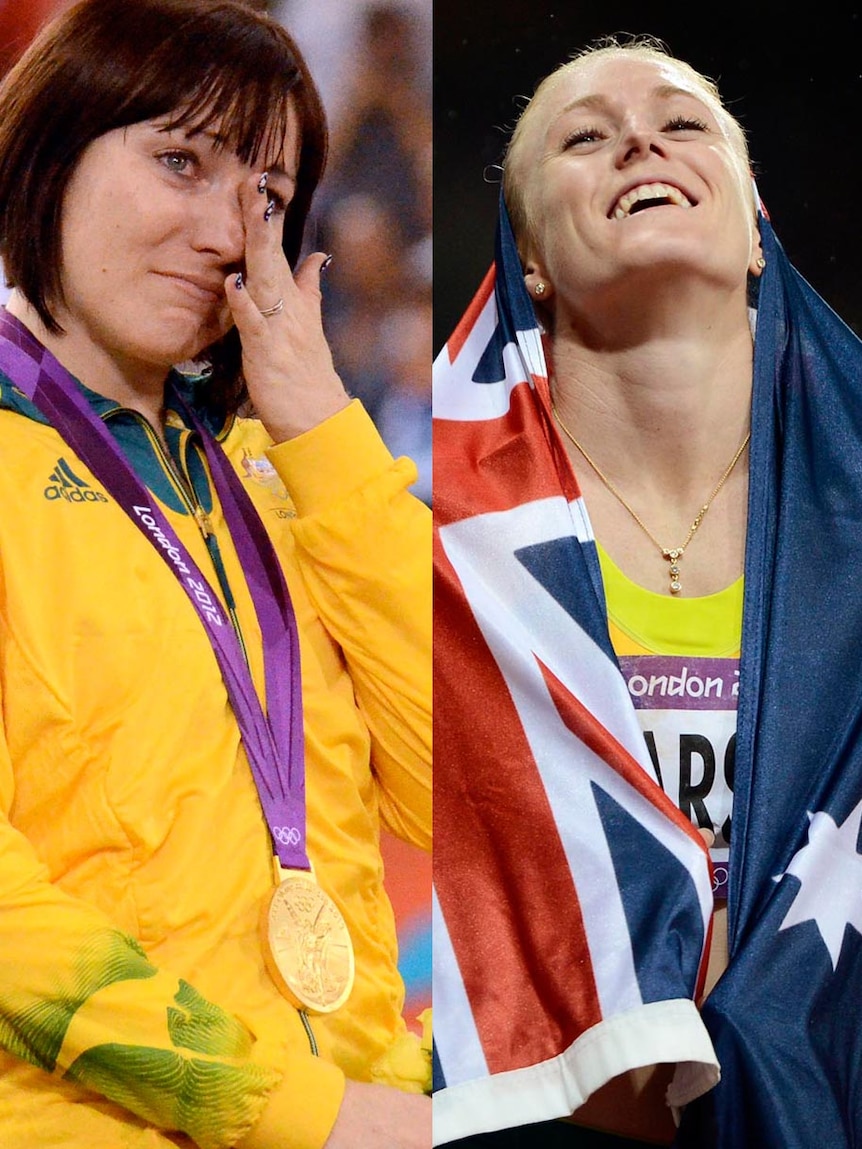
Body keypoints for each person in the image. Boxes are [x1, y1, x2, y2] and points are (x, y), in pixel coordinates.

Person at [0, 1, 432, 1146]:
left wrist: (323, 432)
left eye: (268, 199)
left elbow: (461, 778)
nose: (225, 233)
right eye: (180, 162)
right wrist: (302, 1117)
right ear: (48, 155)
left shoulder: (288, 472)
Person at [432, 33, 862, 1149]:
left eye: (681, 124)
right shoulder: (430, 537)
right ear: (527, 258)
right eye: (585, 136)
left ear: (756, 223)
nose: (637, 138)